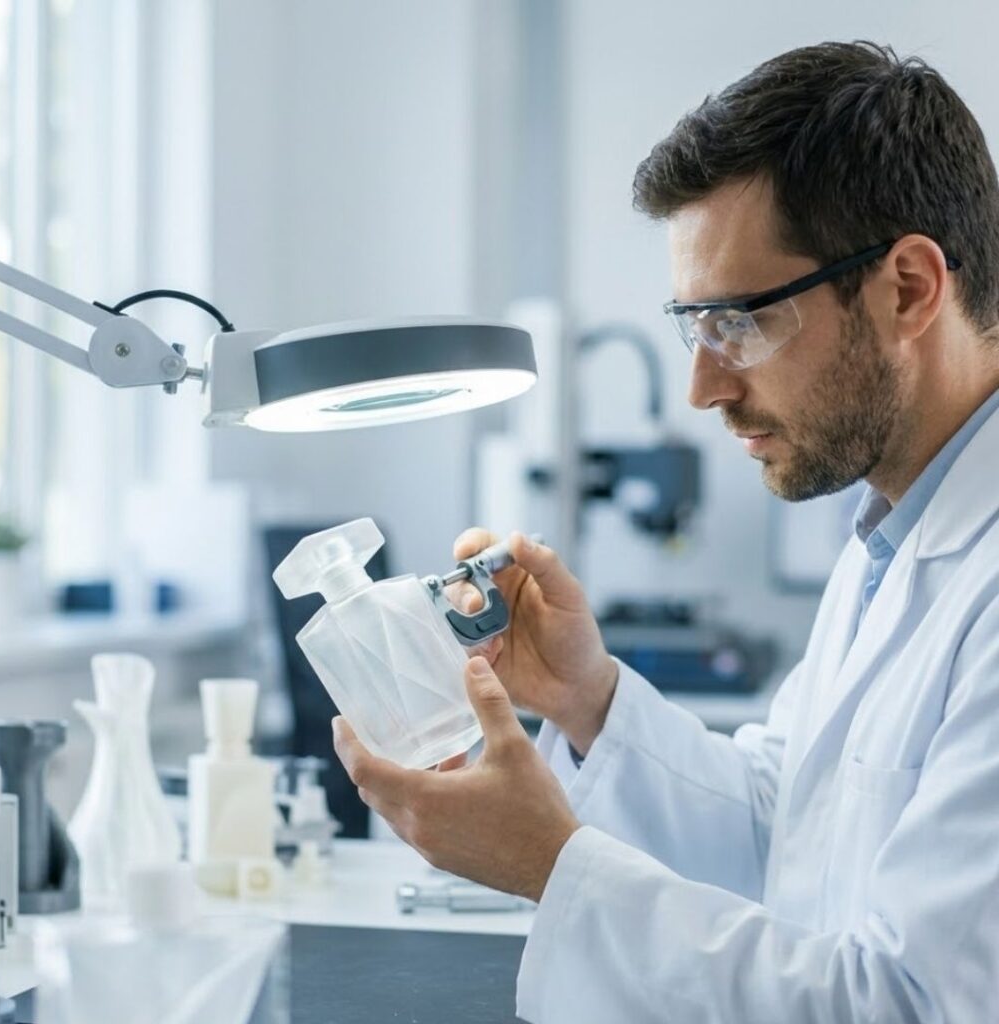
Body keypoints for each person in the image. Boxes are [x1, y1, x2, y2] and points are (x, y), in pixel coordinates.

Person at [333, 40, 999, 1022]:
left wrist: (553, 865)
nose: (703, 387)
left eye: (740, 321)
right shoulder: (893, 535)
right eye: (693, 325)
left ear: (906, 288)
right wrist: (584, 696)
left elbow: (912, 1003)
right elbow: (789, 829)